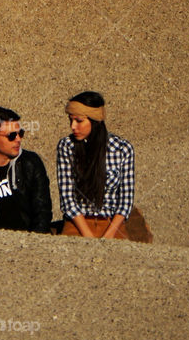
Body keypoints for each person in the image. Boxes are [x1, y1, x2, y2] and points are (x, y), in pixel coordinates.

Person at [56, 91, 135, 239]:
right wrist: (88, 237)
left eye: (79, 121)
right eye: (71, 120)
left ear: (95, 120)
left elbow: (126, 199)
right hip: (78, 223)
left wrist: (108, 236)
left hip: (111, 224)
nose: (73, 127)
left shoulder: (122, 148)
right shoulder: (66, 146)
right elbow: (67, 198)